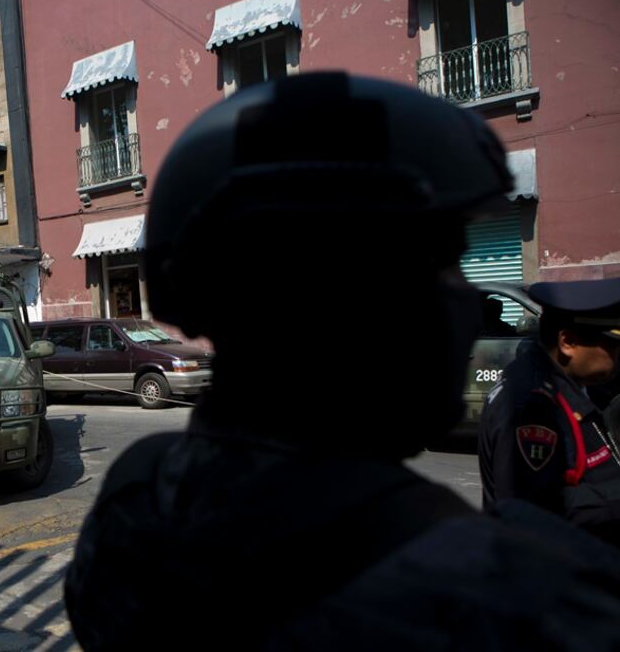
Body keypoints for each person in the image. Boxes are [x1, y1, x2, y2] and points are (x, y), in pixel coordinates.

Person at [63, 73, 620, 650]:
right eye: (447, 261)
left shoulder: (138, 495)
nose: (470, 297)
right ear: (348, 295)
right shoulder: (520, 599)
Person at [479, 278, 620, 546]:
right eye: (610, 344)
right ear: (567, 342)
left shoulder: (568, 381)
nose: (617, 354)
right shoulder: (531, 405)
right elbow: (533, 510)